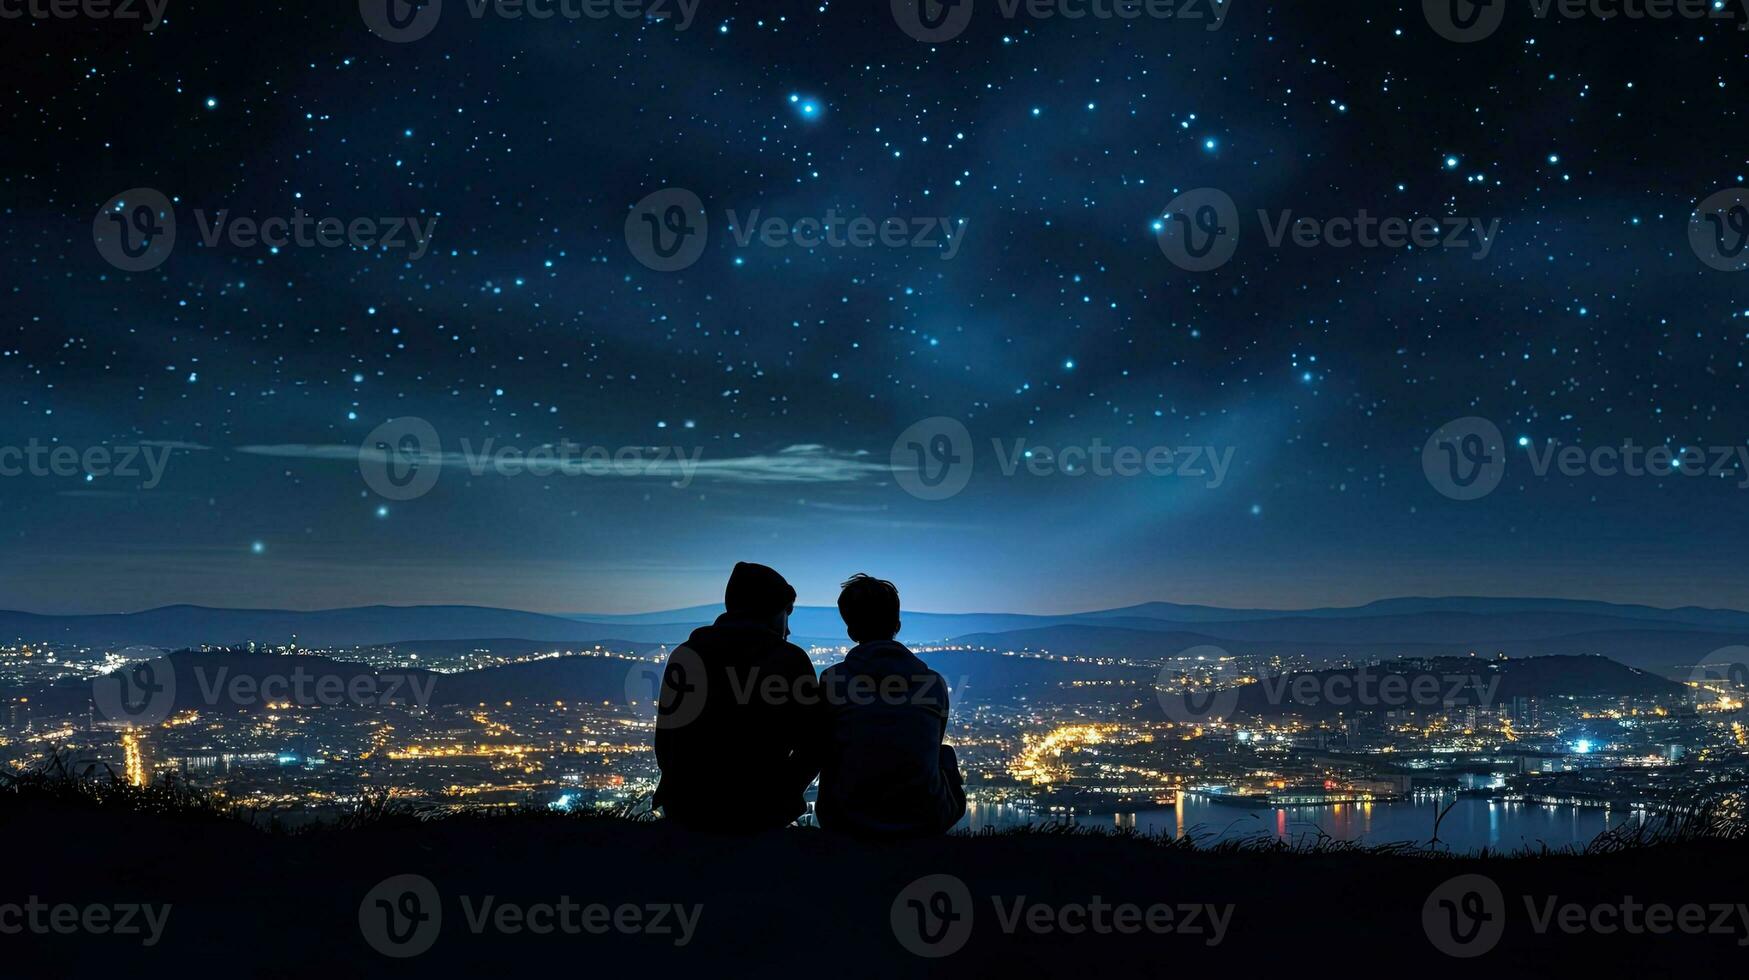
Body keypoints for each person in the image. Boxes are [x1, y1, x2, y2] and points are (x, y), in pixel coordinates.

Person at [653, 562, 820, 832]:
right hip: (763, 810)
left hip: (689, 808)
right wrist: (784, 792)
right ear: (773, 611)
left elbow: (667, 739)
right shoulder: (789, 660)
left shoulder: (687, 655)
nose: (787, 630)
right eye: (786, 615)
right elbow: (813, 744)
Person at [815, 573, 966, 837]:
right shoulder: (932, 683)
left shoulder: (833, 680)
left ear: (851, 631)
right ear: (897, 624)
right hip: (924, 819)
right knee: (945, 754)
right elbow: (932, 744)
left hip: (846, 819)